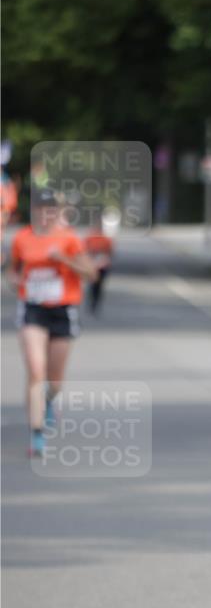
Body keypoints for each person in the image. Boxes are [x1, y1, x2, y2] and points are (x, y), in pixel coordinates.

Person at [9, 188, 97, 457]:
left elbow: (91, 274)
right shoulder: (22, 238)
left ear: (58, 213)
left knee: (54, 378)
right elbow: (13, 271)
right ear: (33, 212)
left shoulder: (69, 239)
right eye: (40, 210)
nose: (45, 215)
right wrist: (13, 281)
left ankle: (50, 401)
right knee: (36, 370)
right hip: (32, 309)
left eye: (51, 210)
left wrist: (65, 260)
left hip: (63, 310)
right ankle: (36, 435)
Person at [84, 219, 114, 315]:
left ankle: (95, 302)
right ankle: (92, 302)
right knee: (93, 286)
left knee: (98, 286)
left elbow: (109, 251)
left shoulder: (105, 238)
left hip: (101, 265)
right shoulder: (90, 238)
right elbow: (84, 250)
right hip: (93, 265)